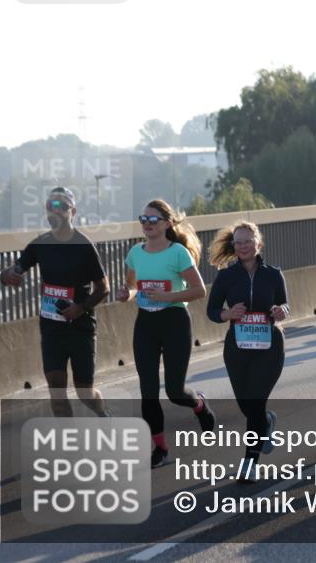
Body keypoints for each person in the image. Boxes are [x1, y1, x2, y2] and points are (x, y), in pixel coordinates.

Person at [0, 187, 111, 418]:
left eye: (62, 206)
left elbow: (104, 288)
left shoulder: (84, 245)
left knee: (85, 393)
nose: (55, 211)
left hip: (81, 327)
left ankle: (102, 413)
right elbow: (13, 270)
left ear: (73, 211)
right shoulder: (40, 244)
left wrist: (80, 308)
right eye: (51, 206)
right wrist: (8, 276)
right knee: (57, 391)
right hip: (52, 328)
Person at [118, 199, 213, 468]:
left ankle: (199, 405)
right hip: (146, 323)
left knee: (174, 391)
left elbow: (199, 290)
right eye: (143, 219)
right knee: (148, 392)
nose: (147, 224)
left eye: (153, 220)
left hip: (174, 322)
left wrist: (167, 296)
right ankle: (160, 448)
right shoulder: (135, 253)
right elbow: (132, 286)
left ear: (167, 223)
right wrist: (127, 294)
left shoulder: (178, 253)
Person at [206, 221, 288, 483]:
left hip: (269, 347)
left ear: (258, 243)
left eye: (247, 241)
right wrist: (228, 314)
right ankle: (266, 422)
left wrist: (281, 311)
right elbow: (212, 310)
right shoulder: (226, 276)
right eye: (238, 242)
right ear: (234, 246)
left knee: (255, 402)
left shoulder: (273, 274)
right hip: (237, 348)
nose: (243, 246)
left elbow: (284, 304)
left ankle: (250, 463)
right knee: (247, 406)